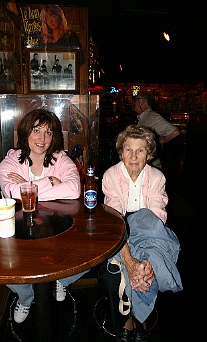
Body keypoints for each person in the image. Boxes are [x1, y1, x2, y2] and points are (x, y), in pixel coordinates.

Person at [98, 125, 182, 342]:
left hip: (151, 232)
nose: (134, 156)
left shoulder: (157, 178)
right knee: (113, 274)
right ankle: (127, 321)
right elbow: (116, 220)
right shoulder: (110, 176)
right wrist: (129, 261)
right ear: (121, 152)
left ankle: (141, 317)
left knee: (148, 265)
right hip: (119, 232)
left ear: (149, 153)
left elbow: (156, 220)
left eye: (140, 150)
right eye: (128, 150)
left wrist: (145, 263)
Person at [0, 109, 81, 324]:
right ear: (26, 132)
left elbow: (74, 190)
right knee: (4, 266)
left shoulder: (60, 159)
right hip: (20, 231)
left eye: (48, 133)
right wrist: (52, 182)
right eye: (36, 131)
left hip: (56, 228)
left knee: (86, 257)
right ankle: (26, 298)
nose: (42, 139)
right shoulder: (10, 161)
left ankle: (61, 280)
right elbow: (13, 193)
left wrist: (26, 187)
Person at [134, 92, 180, 169]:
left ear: (142, 101)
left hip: (150, 167)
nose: (134, 102)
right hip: (144, 166)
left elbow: (175, 132)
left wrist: (159, 142)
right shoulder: (144, 117)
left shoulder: (152, 117)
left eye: (135, 100)